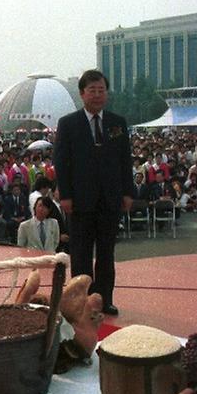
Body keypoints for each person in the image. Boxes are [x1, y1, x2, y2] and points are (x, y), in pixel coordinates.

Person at [53, 69, 134, 316]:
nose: (98, 95)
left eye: (102, 90)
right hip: (79, 201)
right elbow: (61, 161)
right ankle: (81, 301)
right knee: (81, 254)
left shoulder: (117, 123)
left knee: (107, 254)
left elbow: (124, 160)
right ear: (82, 94)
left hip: (110, 199)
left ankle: (104, 300)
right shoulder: (68, 123)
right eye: (92, 90)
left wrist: (127, 192)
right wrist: (65, 195)